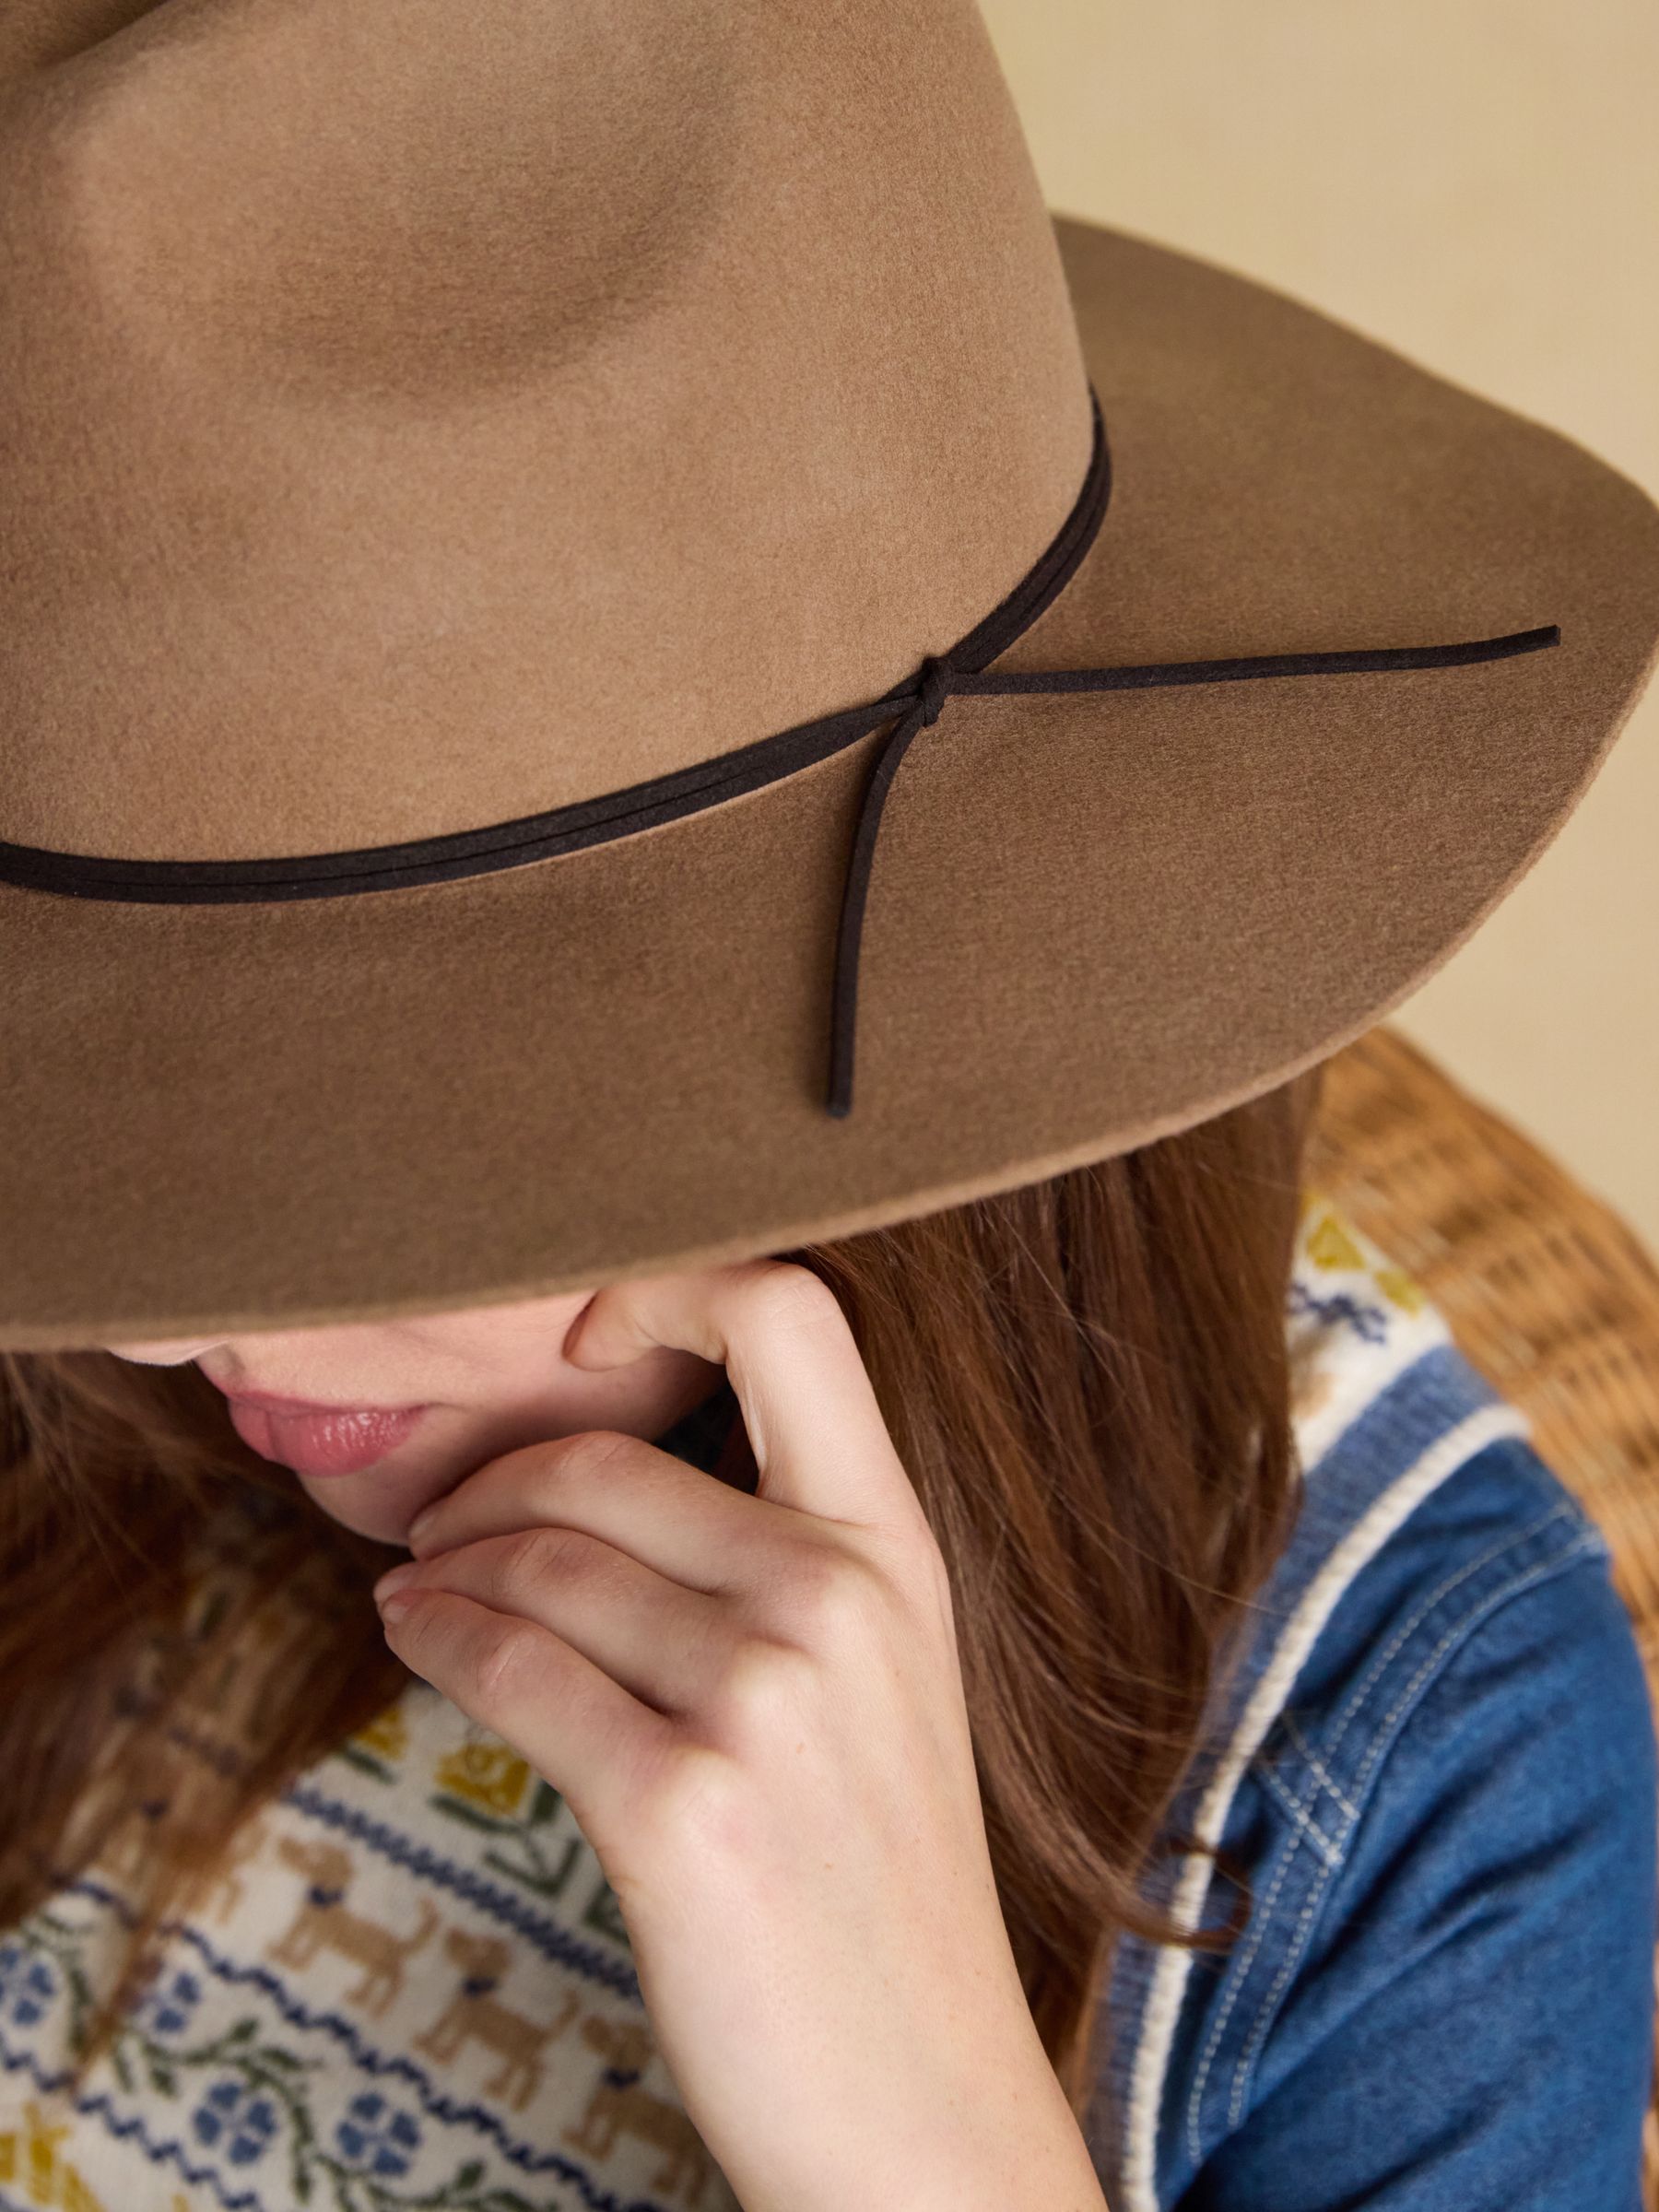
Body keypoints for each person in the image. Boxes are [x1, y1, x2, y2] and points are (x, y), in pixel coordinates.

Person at [0, 2, 1655, 2208]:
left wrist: (923, 2138)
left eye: (369, 1135)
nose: (146, 1322)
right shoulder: (80, 1390)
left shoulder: (1387, 1748)